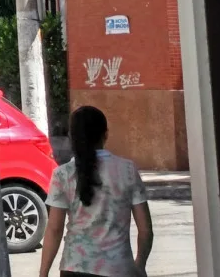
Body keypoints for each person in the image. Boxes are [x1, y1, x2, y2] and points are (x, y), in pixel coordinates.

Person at [39, 106, 154, 277]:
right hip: (119, 269)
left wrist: (44, 273)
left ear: (72, 137)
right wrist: (140, 264)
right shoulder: (127, 170)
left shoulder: (63, 174)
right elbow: (145, 230)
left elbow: (54, 229)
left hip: (75, 269)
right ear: (105, 135)